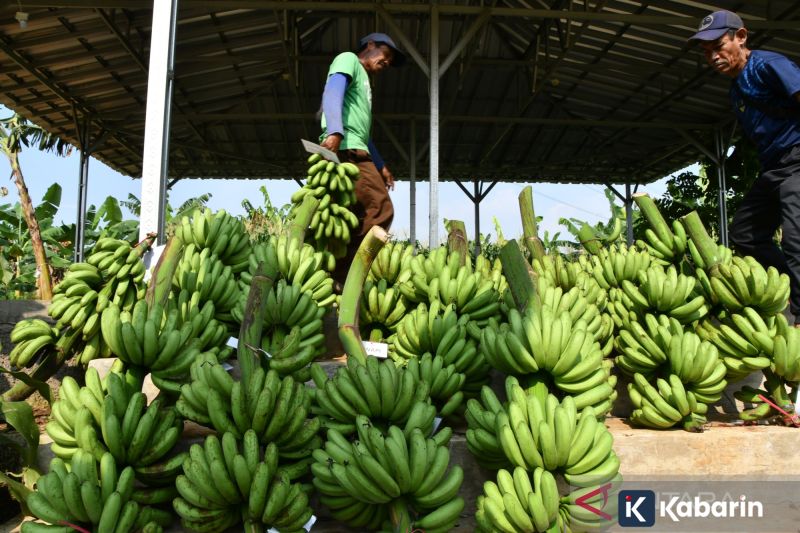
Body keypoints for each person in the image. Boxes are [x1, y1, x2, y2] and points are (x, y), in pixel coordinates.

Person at [689, 10, 800, 324]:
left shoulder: (768, 66)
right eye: (707, 51)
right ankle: (789, 285)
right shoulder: (735, 90)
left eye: (719, 45)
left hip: (798, 156)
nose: (714, 56)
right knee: (745, 233)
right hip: (774, 166)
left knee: (796, 238)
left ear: (741, 37)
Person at [318, 32, 405, 287]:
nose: (386, 62)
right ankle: (343, 276)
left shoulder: (366, 84)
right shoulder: (348, 60)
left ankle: (334, 272)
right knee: (380, 208)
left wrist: (381, 166)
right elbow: (333, 91)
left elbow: (363, 133)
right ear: (369, 46)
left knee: (351, 215)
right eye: (385, 55)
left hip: (356, 147)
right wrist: (334, 130)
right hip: (346, 151)